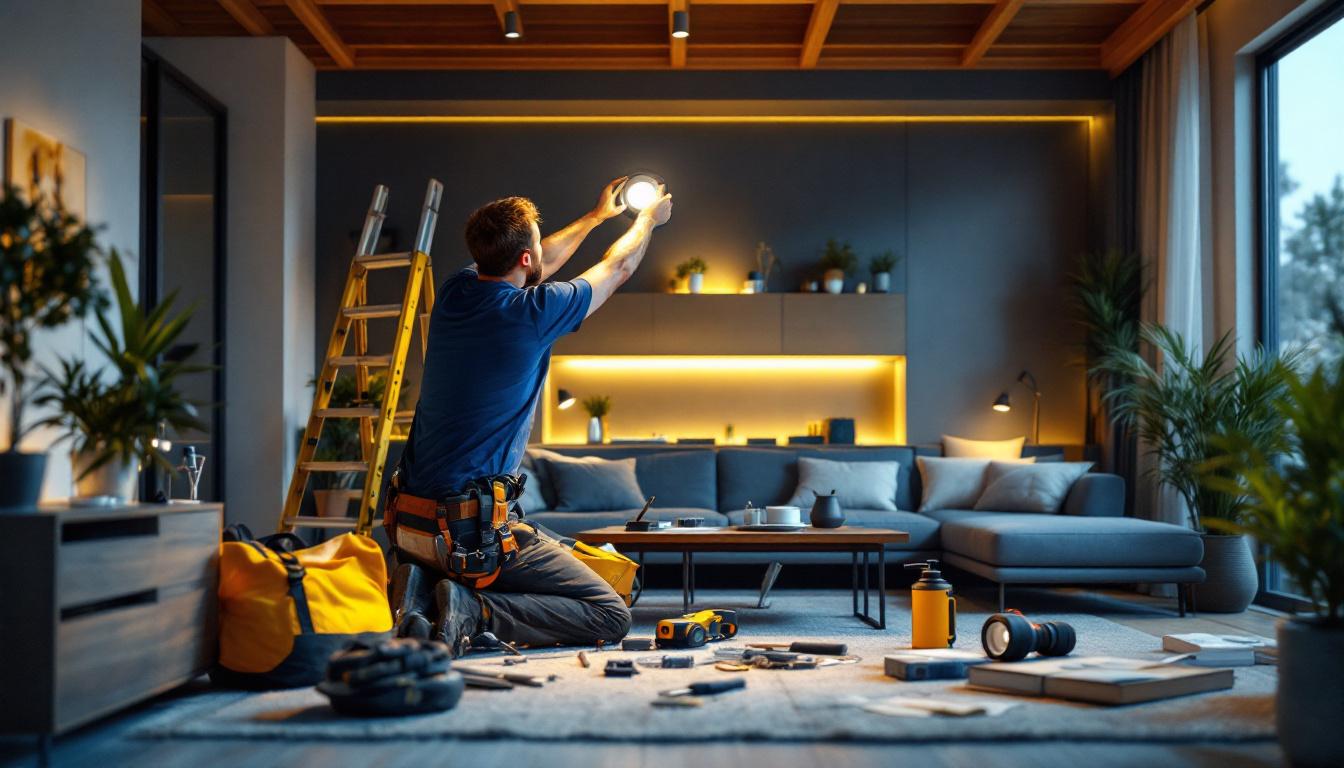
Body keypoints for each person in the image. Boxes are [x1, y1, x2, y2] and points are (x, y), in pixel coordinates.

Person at [387, 177, 672, 656]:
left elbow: (543, 260)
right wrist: (648, 219)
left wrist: (598, 216)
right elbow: (618, 266)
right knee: (612, 610)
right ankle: (472, 610)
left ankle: (426, 593)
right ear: (524, 258)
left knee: (574, 552)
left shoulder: (457, 293)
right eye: (536, 244)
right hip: (469, 534)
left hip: (411, 524)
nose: (544, 251)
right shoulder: (531, 313)